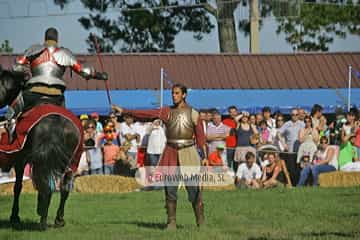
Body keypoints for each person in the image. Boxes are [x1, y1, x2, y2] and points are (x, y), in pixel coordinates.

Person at [112, 83, 207, 229]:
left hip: (188, 152)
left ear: (184, 95)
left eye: (177, 93)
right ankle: (171, 222)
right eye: (173, 93)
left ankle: (200, 222)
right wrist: (125, 111)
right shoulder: (167, 111)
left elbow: (200, 136)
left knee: (194, 190)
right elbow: (147, 114)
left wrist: (204, 156)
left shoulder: (193, 112)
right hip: (170, 152)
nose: (174, 96)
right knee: (170, 189)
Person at [3, 27, 108, 143]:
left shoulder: (34, 49)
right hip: (56, 96)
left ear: (45, 38)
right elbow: (84, 71)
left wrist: (25, 73)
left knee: (11, 114)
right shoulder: (65, 53)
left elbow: (16, 67)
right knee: (64, 120)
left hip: (33, 92)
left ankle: (12, 143)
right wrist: (99, 75)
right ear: (57, 39)